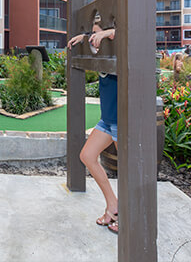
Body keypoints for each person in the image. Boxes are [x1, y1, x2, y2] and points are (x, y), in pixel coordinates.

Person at [67, 25, 119, 234]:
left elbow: (124, 33)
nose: (93, 37)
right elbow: (95, 38)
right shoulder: (100, 56)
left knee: (128, 172)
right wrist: (86, 37)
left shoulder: (119, 52)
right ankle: (113, 205)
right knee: (87, 155)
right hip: (107, 121)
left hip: (120, 121)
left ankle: (128, 215)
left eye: (98, 33)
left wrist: (107, 33)